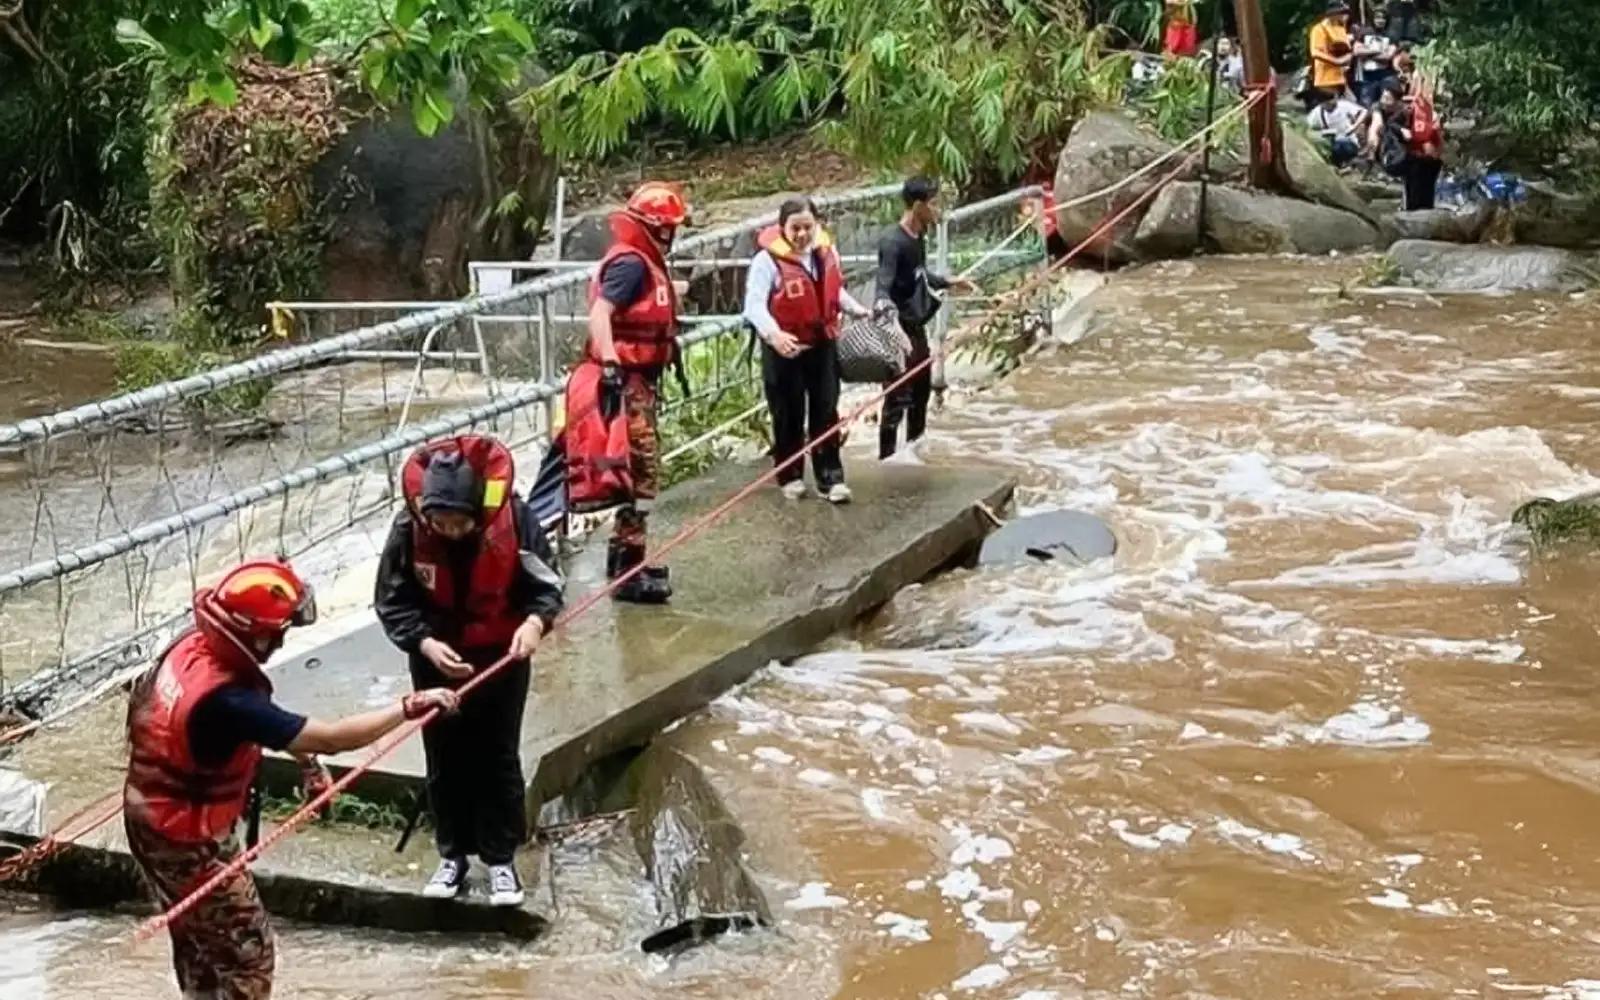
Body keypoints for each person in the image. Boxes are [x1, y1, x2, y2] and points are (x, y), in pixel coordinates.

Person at [125, 559, 460, 1000]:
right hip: (188, 839)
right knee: (248, 952)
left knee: (199, 943)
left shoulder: (192, 648)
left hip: (147, 816)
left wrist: (306, 763)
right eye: (279, 631)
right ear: (256, 634)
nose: (281, 640)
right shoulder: (228, 700)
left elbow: (274, 729)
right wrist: (409, 706)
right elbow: (333, 738)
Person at [376, 434, 564, 906]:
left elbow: (546, 583)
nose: (452, 531)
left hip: (501, 656)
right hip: (435, 658)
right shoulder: (408, 530)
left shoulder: (516, 521)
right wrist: (424, 642)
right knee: (444, 756)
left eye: (460, 522)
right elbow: (392, 600)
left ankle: (501, 860)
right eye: (442, 522)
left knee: (498, 755)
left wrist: (536, 622)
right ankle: (452, 855)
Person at [566, 182, 691, 604]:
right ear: (657, 229)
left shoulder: (638, 263)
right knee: (641, 474)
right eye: (670, 228)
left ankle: (628, 561)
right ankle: (627, 568)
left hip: (640, 380)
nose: (674, 236)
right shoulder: (631, 266)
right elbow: (600, 314)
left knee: (637, 473)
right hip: (627, 382)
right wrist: (612, 361)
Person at [742, 197, 871, 503]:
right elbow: (754, 305)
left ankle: (831, 478)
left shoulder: (825, 253)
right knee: (788, 413)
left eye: (807, 227)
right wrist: (774, 335)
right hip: (784, 348)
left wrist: (856, 310)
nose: (802, 234)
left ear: (817, 225)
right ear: (782, 227)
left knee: (826, 409)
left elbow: (833, 290)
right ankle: (790, 476)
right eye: (795, 228)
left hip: (821, 343)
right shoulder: (766, 262)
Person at [873, 177, 976, 461]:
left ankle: (914, 452)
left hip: (915, 328)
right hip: (897, 331)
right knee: (896, 398)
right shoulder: (892, 242)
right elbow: (883, 287)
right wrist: (891, 327)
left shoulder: (919, 237)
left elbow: (918, 274)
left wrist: (948, 282)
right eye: (933, 203)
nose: (937, 209)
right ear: (918, 206)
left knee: (921, 392)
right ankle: (887, 460)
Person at [1307, 88, 1370, 167]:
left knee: (1342, 144)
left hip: (1349, 140)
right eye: (1327, 102)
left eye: (1332, 99)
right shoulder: (1317, 112)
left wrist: (1354, 126)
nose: (1331, 103)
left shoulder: (1343, 105)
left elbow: (1364, 111)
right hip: (1331, 142)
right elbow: (1309, 126)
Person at [1308, 1, 1354, 106]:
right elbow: (1315, 52)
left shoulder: (1340, 28)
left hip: (1342, 77)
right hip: (1326, 78)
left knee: (1350, 106)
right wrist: (1337, 61)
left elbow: (1346, 49)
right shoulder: (1319, 29)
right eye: (1341, 13)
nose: (1343, 15)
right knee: (1332, 108)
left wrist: (1348, 57)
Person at [1354, 12, 1397, 104]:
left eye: (1383, 18)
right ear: (1373, 18)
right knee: (1366, 104)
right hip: (1367, 75)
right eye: (1377, 17)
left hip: (1385, 75)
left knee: (1386, 102)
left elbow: (1388, 56)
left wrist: (1366, 54)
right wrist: (1377, 51)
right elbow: (1357, 51)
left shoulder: (1391, 34)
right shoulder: (1364, 32)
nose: (1380, 21)